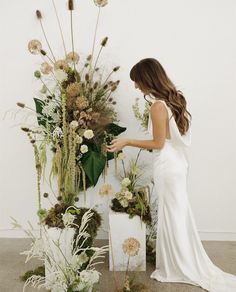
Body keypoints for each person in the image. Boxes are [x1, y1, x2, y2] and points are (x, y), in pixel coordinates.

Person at [106, 58, 236, 291]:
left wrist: (126, 141)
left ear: (147, 78)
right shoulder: (173, 100)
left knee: (173, 215)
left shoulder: (158, 105)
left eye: (137, 81)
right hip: (176, 165)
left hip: (167, 165)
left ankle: (179, 266)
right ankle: (179, 262)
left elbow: (157, 143)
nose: (136, 87)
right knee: (176, 214)